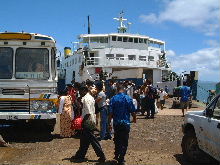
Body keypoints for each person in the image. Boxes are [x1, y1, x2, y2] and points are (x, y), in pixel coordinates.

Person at [71, 86, 106, 163]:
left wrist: (82, 122)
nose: (79, 93)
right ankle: (80, 155)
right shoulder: (90, 97)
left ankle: (102, 156)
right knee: (84, 140)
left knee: (92, 139)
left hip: (87, 121)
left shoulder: (86, 99)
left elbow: (88, 113)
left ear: (84, 90)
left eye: (80, 91)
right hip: (89, 120)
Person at [109, 85, 136, 165]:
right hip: (125, 123)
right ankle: (121, 158)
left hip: (117, 123)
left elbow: (110, 113)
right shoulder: (128, 98)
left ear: (117, 90)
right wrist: (134, 118)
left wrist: (109, 123)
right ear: (124, 90)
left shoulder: (113, 98)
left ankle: (117, 155)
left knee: (117, 139)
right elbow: (132, 110)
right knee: (124, 141)